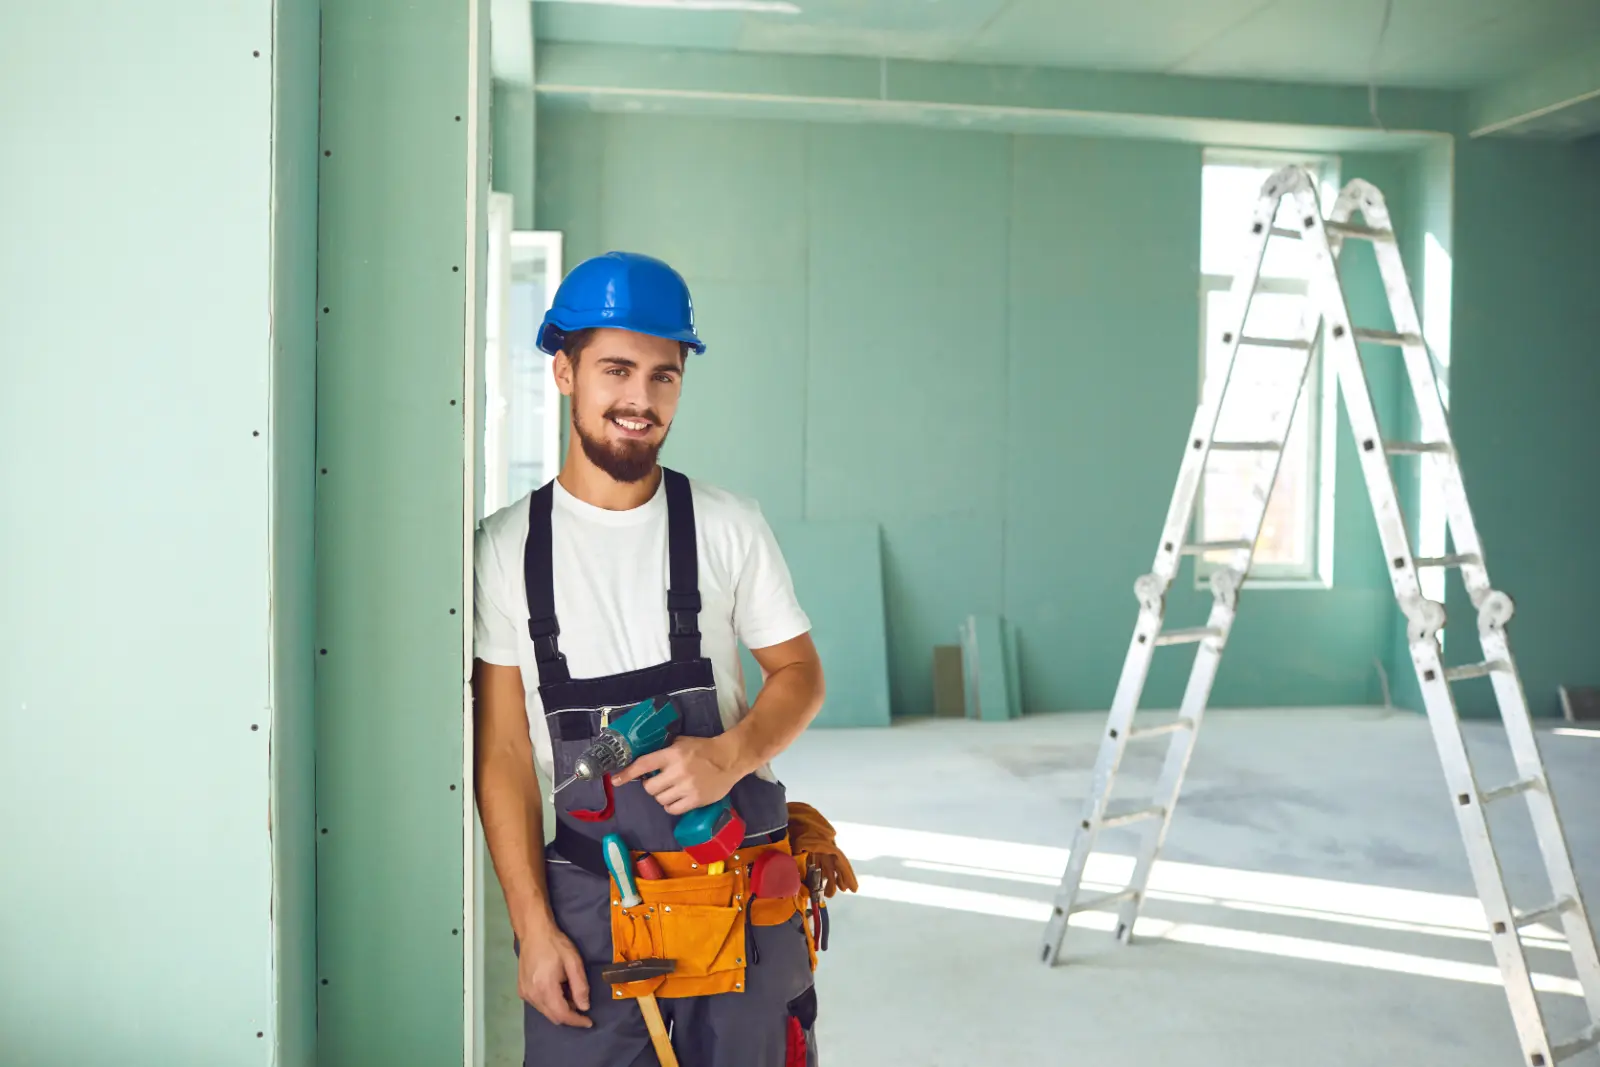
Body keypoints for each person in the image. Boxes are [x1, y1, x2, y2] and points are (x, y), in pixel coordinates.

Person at [472, 251, 832, 1067]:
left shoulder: (727, 525)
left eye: (664, 375)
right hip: (590, 917)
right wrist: (531, 927)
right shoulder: (503, 551)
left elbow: (801, 674)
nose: (641, 399)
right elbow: (500, 752)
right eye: (616, 369)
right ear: (563, 371)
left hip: (736, 896)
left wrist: (727, 755)